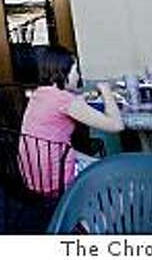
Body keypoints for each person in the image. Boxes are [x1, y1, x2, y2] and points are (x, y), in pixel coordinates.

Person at [18, 46, 123, 196]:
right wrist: (106, 91)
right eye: (76, 71)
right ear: (64, 72)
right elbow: (116, 125)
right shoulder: (65, 100)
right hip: (57, 179)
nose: (78, 76)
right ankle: (98, 217)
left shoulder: (40, 94)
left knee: (99, 163)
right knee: (120, 176)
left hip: (34, 176)